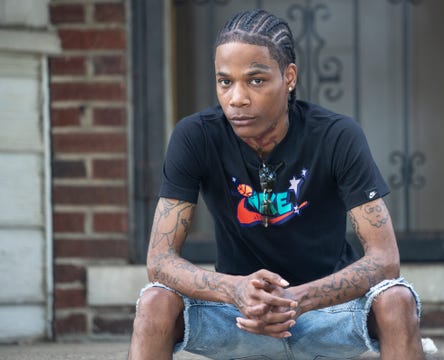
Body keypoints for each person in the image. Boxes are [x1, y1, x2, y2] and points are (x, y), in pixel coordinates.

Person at [128, 8, 425, 360]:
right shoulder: (196, 136)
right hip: (237, 317)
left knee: (397, 299)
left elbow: (385, 259)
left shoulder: (337, 136)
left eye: (255, 80)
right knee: (154, 301)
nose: (237, 98)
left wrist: (298, 299)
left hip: (327, 316)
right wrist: (235, 289)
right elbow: (159, 260)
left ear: (289, 77)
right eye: (225, 81)